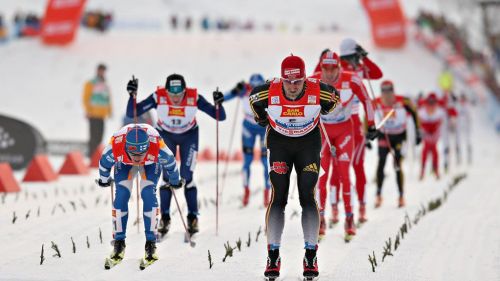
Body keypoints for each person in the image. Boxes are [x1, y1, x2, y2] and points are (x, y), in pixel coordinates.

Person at [250, 54, 339, 280]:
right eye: (287, 82)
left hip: (308, 144)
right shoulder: (267, 91)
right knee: (278, 197)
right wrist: (261, 118)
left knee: (307, 196)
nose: (292, 87)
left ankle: (310, 254)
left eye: (297, 82)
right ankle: (273, 255)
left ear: (305, 79)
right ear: (280, 79)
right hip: (279, 143)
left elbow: (335, 99)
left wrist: (324, 111)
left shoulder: (319, 91)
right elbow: (253, 100)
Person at [125, 74, 226, 238]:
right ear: (166, 92)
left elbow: (220, 116)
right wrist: (132, 95)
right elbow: (132, 112)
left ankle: (193, 217)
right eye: (172, 95)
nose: (176, 99)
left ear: (185, 91)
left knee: (187, 176)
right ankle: (165, 217)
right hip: (166, 136)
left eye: (180, 95)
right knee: (167, 177)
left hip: (189, 136)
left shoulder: (194, 98)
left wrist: (218, 104)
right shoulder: (158, 97)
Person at [310, 51, 377, 240]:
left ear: (339, 67)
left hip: (345, 131)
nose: (329, 74)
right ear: (321, 68)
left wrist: (371, 125)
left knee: (344, 174)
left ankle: (349, 218)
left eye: (333, 69)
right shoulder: (313, 81)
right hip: (323, 132)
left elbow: (367, 100)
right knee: (322, 175)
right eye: (326, 69)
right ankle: (321, 218)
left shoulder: (351, 80)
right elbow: (293, 94)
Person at [96, 124, 183, 265]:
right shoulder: (115, 147)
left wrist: (175, 181)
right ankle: (119, 242)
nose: (137, 158)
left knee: (148, 194)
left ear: (147, 148)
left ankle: (150, 243)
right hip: (124, 163)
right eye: (134, 154)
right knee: (121, 196)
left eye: (141, 154)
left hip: (150, 164)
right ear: (126, 147)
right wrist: (104, 179)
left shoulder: (158, 147)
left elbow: (171, 164)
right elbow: (103, 165)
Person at [338, 38, 383, 217]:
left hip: (355, 121)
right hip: (348, 122)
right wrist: (363, 60)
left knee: (352, 165)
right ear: (351, 55)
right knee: (352, 165)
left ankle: (357, 206)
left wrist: (364, 59)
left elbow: (377, 74)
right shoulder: (343, 69)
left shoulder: (356, 67)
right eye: (357, 56)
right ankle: (351, 208)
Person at [223, 74, 270, 207]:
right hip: (248, 127)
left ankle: (267, 193)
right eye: (252, 87)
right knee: (247, 161)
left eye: (258, 87)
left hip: (263, 127)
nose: (255, 90)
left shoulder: (267, 90)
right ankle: (246, 191)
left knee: (266, 162)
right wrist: (225, 95)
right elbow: (227, 96)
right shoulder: (244, 89)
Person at [373, 80, 421, 208]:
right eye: (384, 91)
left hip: (399, 136)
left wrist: (418, 132)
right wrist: (368, 132)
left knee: (397, 164)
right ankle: (378, 194)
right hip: (384, 135)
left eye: (389, 91)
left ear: (393, 91)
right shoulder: (376, 102)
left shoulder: (403, 101)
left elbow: (415, 112)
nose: (387, 94)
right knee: (381, 162)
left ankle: (401, 196)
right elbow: (367, 115)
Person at [82, 63, 112, 157]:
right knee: (93, 137)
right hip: (93, 114)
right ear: (97, 71)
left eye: (103, 71)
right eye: (101, 70)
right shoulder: (91, 83)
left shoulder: (105, 84)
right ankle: (91, 155)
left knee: (100, 137)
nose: (102, 72)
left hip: (102, 115)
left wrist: (109, 111)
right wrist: (88, 110)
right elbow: (86, 97)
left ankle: (97, 156)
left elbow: (108, 99)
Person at [418, 93, 446, 180]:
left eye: (433, 103)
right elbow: (420, 125)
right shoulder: (421, 112)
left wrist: (435, 135)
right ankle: (422, 171)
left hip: (435, 134)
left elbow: (440, 125)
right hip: (426, 133)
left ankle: (436, 170)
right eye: (429, 103)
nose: (431, 106)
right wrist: (424, 134)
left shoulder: (440, 112)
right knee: (425, 149)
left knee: (434, 149)